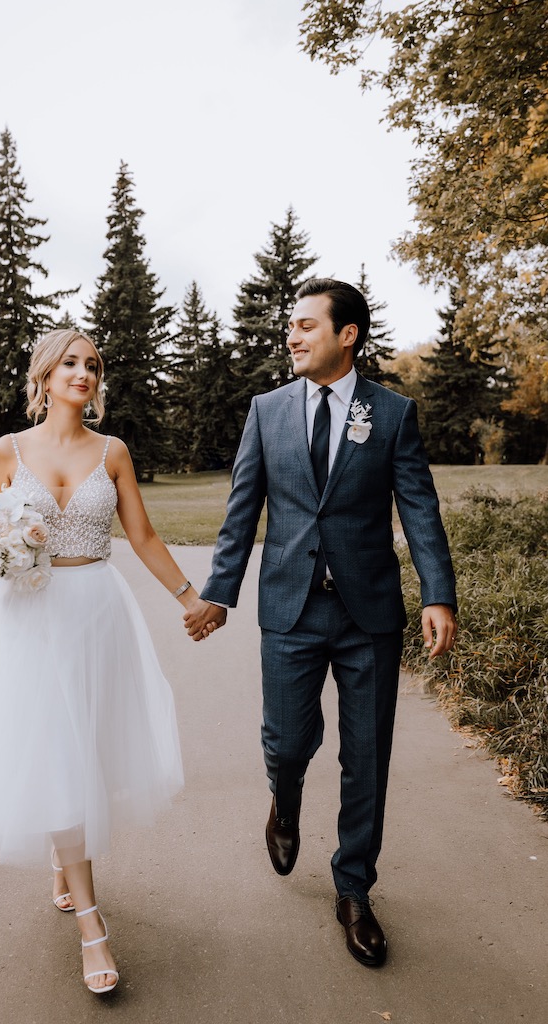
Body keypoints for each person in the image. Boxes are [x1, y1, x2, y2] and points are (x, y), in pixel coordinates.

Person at [183, 278, 457, 968]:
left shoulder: (391, 414)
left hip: (367, 614)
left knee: (366, 756)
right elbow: (242, 508)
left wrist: (437, 593)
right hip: (289, 608)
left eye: (306, 325)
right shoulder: (266, 411)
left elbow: (417, 508)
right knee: (285, 739)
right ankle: (284, 797)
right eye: (289, 327)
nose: (292, 336)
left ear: (347, 334)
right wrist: (219, 592)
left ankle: (354, 889)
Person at [0, 328, 207, 995]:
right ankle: (92, 925)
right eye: (71, 363)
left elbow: (140, 534)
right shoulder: (9, 450)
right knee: (52, 750)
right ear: (45, 374)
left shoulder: (112, 452)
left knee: (81, 747)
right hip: (27, 617)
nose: (83, 373)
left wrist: (188, 597)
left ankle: (63, 864)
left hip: (94, 610)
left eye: (92, 365)